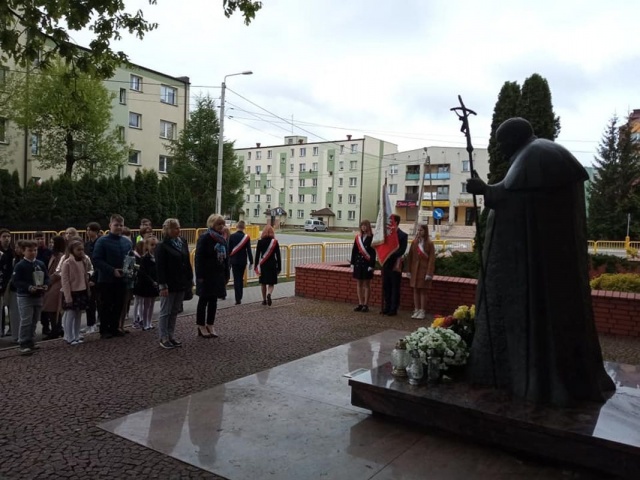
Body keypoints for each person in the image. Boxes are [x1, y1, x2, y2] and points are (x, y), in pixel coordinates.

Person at [466, 117, 615, 407]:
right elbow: (519, 193)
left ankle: (535, 385)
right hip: (547, 261)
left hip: (534, 267)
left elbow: (518, 200)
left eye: (502, 143)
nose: (502, 149)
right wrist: (489, 190)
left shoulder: (536, 154)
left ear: (513, 139)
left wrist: (485, 190)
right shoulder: (540, 153)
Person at [156, 218, 193, 349]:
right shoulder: (162, 246)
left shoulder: (182, 242)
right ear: (168, 230)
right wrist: (162, 285)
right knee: (165, 311)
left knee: (174, 311)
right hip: (169, 283)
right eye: (175, 228)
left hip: (181, 282)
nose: (179, 230)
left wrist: (190, 278)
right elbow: (160, 267)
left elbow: (187, 261)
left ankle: (170, 335)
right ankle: (163, 337)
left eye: (179, 227)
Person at [92, 214, 131, 339]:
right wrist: (112, 270)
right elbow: (96, 259)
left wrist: (129, 269)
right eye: (116, 225)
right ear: (110, 225)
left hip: (122, 278)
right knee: (106, 305)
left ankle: (114, 327)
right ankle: (104, 330)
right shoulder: (102, 241)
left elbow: (130, 258)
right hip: (106, 279)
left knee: (119, 304)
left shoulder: (126, 242)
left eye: (121, 225)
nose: (119, 227)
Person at [12, 240, 50, 355]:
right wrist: (28, 287)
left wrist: (46, 285)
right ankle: (23, 342)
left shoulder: (40, 264)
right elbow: (16, 281)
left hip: (38, 295)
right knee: (26, 320)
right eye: (30, 250)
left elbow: (47, 277)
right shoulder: (20, 265)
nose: (33, 252)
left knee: (34, 320)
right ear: (23, 251)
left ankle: (31, 340)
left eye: (35, 250)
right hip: (25, 296)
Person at [194, 214, 229, 338]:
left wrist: (226, 274)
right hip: (206, 274)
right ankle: (201, 325)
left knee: (213, 301)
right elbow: (198, 258)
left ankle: (210, 324)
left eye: (222, 224)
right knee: (203, 300)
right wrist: (199, 276)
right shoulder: (205, 237)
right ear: (212, 224)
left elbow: (226, 258)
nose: (221, 226)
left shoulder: (222, 238)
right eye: (219, 224)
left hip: (218, 274)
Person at [60, 239, 92, 346]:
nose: (81, 251)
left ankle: (76, 335)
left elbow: (85, 276)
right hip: (72, 292)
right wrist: (68, 297)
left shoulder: (83, 261)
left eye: (82, 249)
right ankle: (69, 337)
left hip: (82, 290)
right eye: (78, 250)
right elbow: (65, 281)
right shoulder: (67, 263)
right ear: (72, 250)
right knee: (70, 315)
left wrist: (88, 289)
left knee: (78, 314)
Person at [405, 224, 435, 320]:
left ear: (425, 231)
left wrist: (429, 273)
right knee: (415, 290)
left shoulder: (429, 243)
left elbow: (431, 259)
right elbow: (410, 257)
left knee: (423, 291)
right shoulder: (414, 242)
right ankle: (416, 309)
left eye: (421, 230)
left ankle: (422, 311)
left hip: (424, 270)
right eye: (418, 230)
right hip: (415, 270)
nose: (419, 232)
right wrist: (408, 270)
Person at [381, 214, 408, 316]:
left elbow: (402, 250)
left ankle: (393, 308)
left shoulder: (403, 235)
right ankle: (387, 307)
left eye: (391, 221)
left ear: (396, 222)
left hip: (395, 264)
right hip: (386, 264)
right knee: (386, 286)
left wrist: (390, 254)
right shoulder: (387, 234)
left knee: (395, 287)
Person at [41, 235, 66, 339]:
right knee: (52, 307)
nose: (51, 244)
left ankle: (56, 329)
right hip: (54, 282)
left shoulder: (60, 256)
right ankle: (57, 328)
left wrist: (48, 281)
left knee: (52, 307)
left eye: (52, 242)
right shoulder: (54, 255)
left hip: (57, 283)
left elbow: (58, 272)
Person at [133, 235, 159, 331]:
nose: (154, 247)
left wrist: (158, 281)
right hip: (147, 284)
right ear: (147, 246)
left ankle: (150, 322)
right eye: (152, 245)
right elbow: (143, 272)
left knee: (152, 304)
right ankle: (145, 323)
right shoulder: (144, 258)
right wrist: (152, 281)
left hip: (155, 283)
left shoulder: (158, 257)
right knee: (146, 304)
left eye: (156, 245)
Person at [350, 220, 376, 313]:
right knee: (359, 284)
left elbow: (373, 253)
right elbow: (354, 250)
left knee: (367, 284)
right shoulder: (358, 237)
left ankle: (366, 305)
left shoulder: (372, 237)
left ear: (368, 227)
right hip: (358, 263)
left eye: (365, 225)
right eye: (362, 225)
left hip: (367, 264)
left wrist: (371, 265)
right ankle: (360, 304)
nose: (363, 227)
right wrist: (352, 263)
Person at [254, 225, 281, 306]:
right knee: (271, 283)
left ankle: (264, 300)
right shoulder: (275, 242)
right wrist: (279, 268)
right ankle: (269, 294)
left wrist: (256, 266)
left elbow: (257, 255)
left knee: (263, 283)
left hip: (263, 265)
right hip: (272, 264)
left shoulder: (260, 242)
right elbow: (278, 256)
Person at [228, 220, 253, 305]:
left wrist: (228, 261)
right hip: (243, 261)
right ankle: (240, 296)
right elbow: (249, 250)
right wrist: (251, 261)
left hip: (234, 261)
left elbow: (229, 250)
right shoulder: (246, 237)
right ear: (244, 227)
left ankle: (237, 298)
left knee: (236, 279)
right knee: (241, 278)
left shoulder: (232, 236)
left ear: (237, 226)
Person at [82, 222, 101, 334]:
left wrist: (94, 278)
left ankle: (98, 321)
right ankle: (90, 323)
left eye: (90, 230)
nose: (88, 232)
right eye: (87, 230)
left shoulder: (100, 243)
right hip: (89, 274)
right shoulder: (87, 244)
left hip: (97, 276)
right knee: (90, 301)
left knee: (98, 300)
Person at [0, 228, 14, 337]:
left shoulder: (12, 251)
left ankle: (11, 328)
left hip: (10, 281)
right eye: (4, 236)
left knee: (10, 306)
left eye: (8, 236)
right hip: (1, 280)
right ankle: (1, 328)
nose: (7, 239)